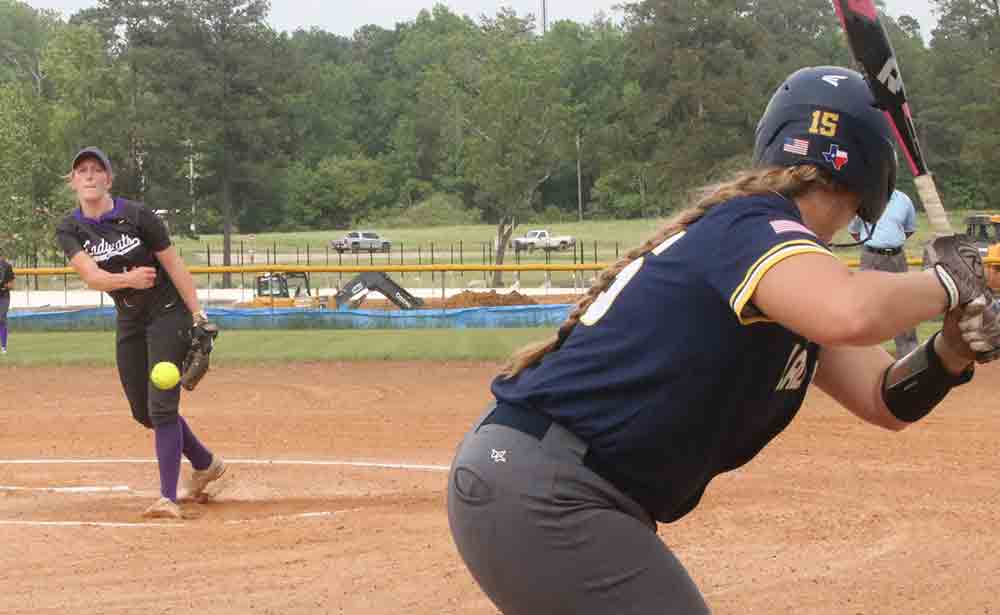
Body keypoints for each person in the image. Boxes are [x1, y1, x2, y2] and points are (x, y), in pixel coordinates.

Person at [446, 66, 994, 614]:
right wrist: (951, 282)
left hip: (559, 491)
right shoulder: (753, 226)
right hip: (549, 490)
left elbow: (884, 397)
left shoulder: (785, 269)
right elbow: (849, 312)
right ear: (873, 172)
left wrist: (950, 351)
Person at [55, 147, 227, 519]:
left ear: (108, 180)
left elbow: (174, 265)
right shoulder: (69, 228)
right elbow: (91, 277)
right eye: (81, 171)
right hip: (130, 318)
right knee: (143, 411)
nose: (88, 176)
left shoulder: (138, 216)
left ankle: (168, 497)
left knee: (162, 406)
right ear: (73, 182)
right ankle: (205, 462)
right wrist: (128, 279)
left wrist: (198, 314)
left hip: (168, 313)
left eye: (96, 170)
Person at [848, 188, 919, 357]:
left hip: (897, 257)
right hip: (871, 257)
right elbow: (854, 230)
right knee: (867, 304)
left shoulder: (904, 199)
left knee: (903, 303)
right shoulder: (866, 198)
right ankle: (866, 354)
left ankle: (908, 355)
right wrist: (875, 244)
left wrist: (891, 243)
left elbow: (909, 229)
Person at [0, 247, 14, 354]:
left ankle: (3, 346)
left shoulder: (7, 266)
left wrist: (4, 286)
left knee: (1, 318)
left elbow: (11, 285)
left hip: (4, 296)